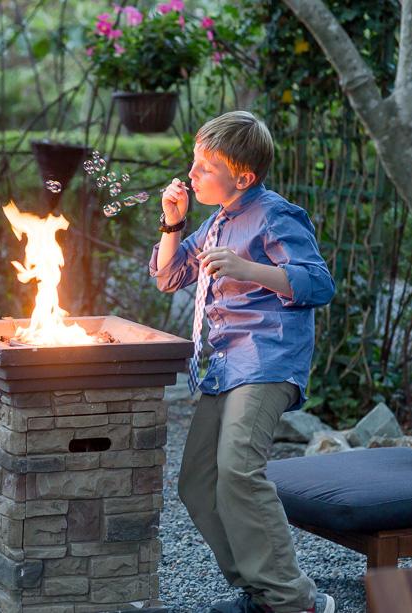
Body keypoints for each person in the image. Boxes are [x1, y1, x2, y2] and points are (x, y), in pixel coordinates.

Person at [150, 111, 336, 613]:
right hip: (226, 366)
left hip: (268, 359)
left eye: (206, 167)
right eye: (194, 161)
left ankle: (296, 601)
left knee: (237, 470)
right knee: (197, 483)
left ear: (244, 177)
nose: (192, 174)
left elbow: (319, 283)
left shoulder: (276, 215)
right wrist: (173, 222)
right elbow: (168, 277)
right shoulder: (215, 223)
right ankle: (263, 592)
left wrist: (248, 268)